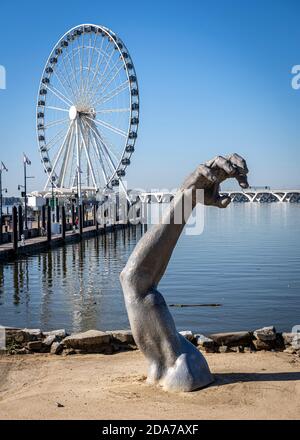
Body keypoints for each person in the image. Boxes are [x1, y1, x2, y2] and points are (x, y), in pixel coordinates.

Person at [120, 154, 249, 392]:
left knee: (135, 283)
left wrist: (187, 196)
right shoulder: (176, 360)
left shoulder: (181, 365)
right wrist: (188, 197)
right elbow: (135, 278)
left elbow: (134, 277)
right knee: (137, 285)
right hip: (179, 368)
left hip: (182, 371)